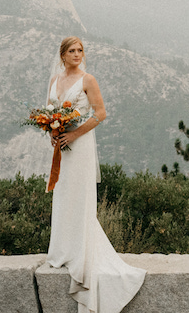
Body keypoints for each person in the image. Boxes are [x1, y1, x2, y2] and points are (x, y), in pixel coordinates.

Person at [45, 36, 146, 313]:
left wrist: (74, 134)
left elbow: (100, 113)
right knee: (63, 193)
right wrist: (54, 133)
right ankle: (64, 250)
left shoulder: (88, 79)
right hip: (62, 146)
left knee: (80, 195)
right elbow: (49, 112)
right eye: (72, 51)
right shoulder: (54, 80)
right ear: (62, 55)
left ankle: (82, 253)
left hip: (81, 146)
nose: (77, 54)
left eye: (80, 50)